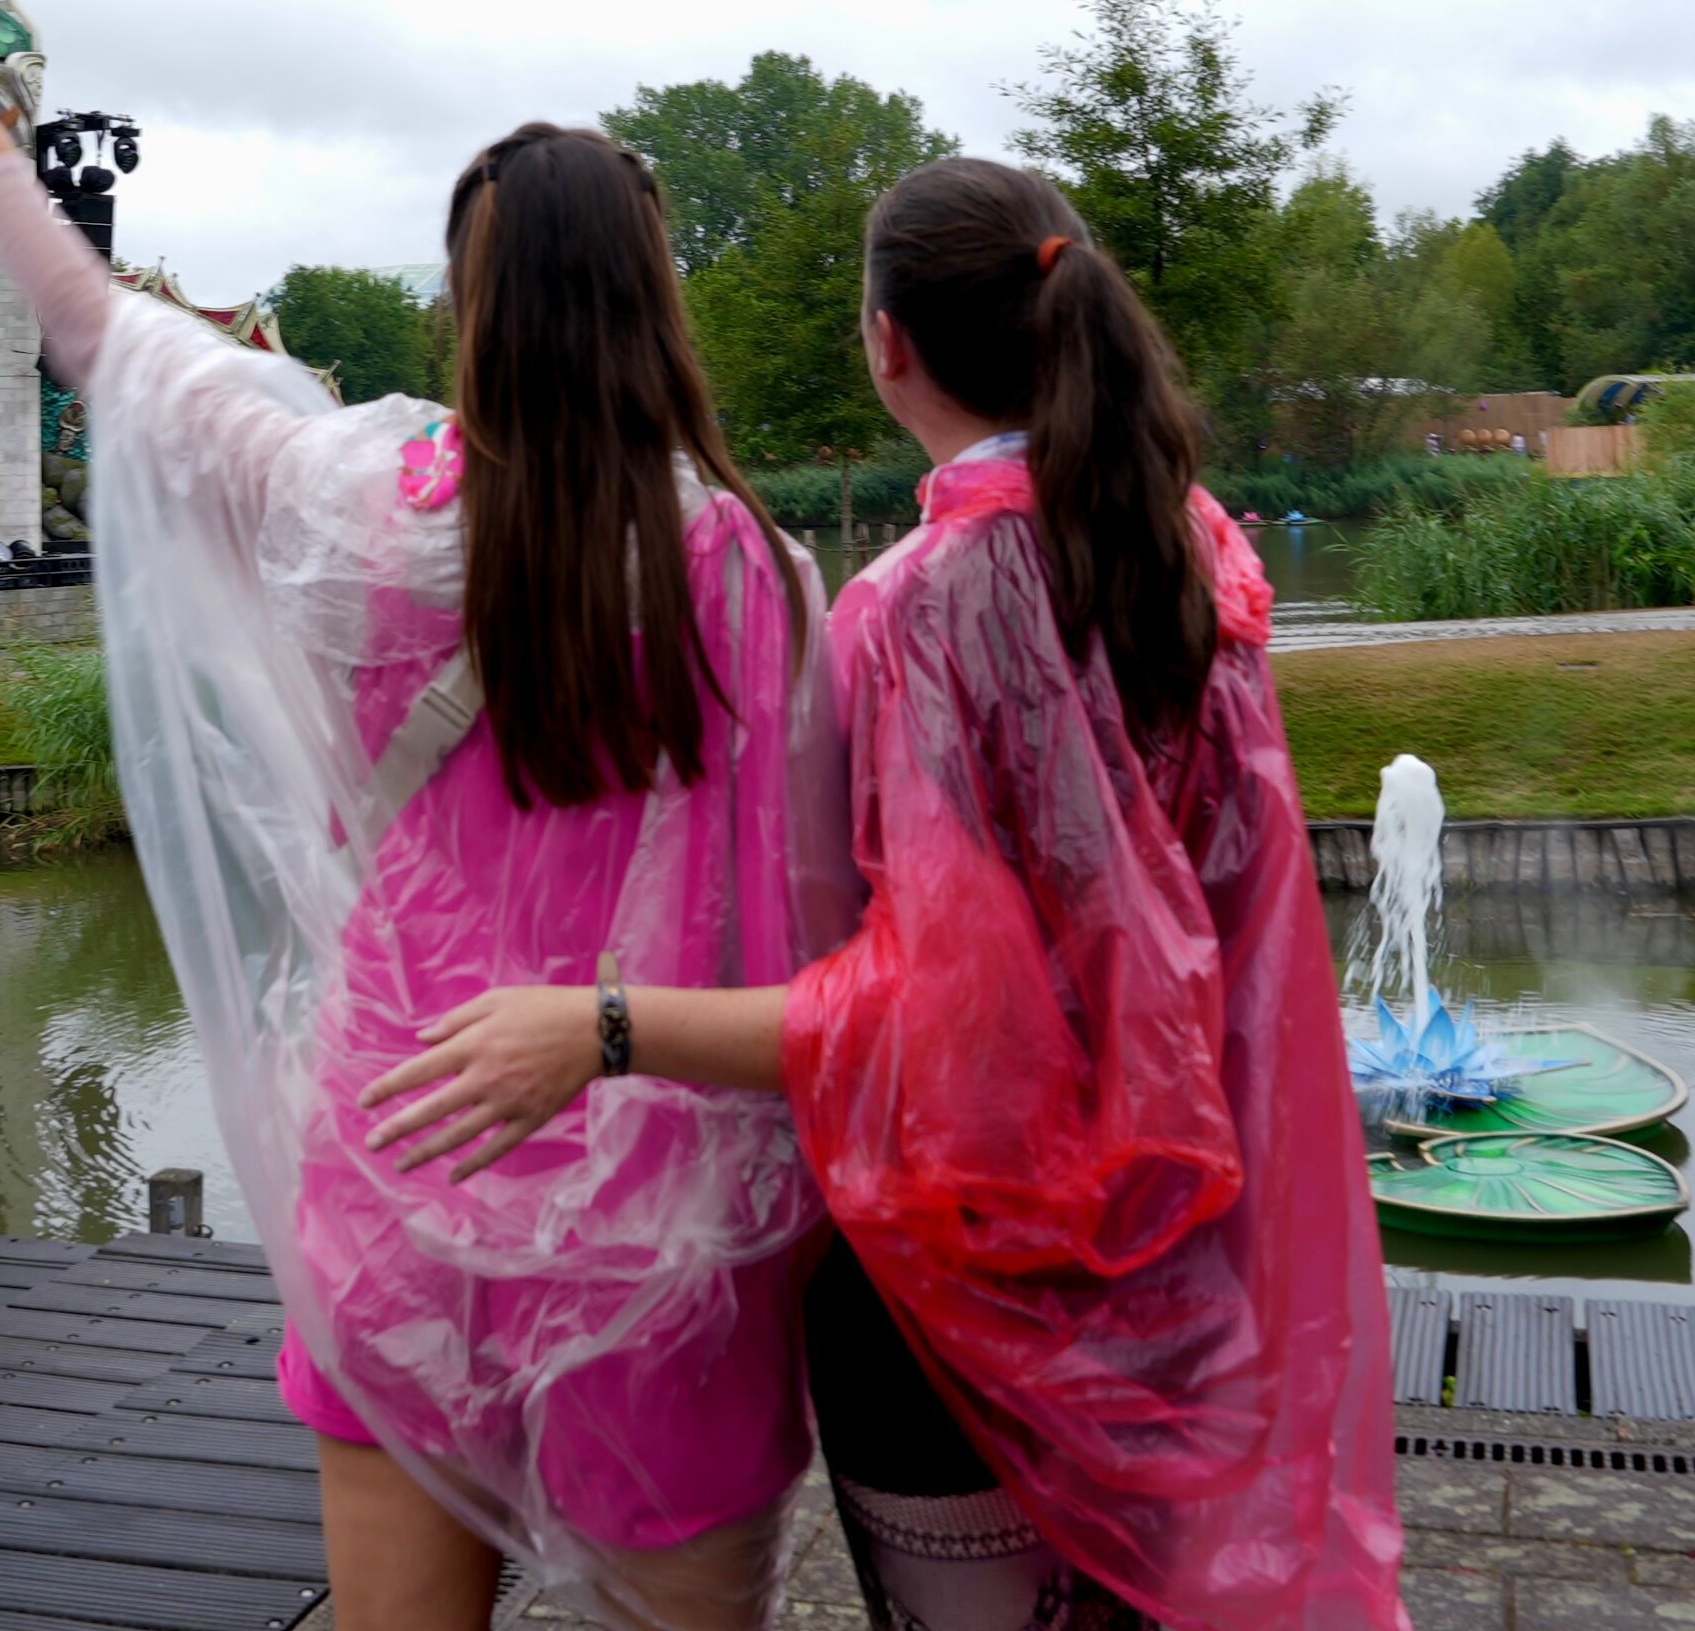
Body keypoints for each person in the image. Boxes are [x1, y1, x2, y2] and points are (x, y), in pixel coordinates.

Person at [0, 0, 847, 1631]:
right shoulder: (754, 574)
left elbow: (101, 340)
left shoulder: (355, 516)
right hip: (671, 1195)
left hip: (407, 1151)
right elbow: (823, 917)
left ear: (467, 305)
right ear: (658, 303)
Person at [366, 157, 1404, 1631]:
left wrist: (601, 1028)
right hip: (1188, 1244)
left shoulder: (914, 606)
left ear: (886, 343)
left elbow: (939, 1017)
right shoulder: (1188, 548)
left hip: (965, 1281)